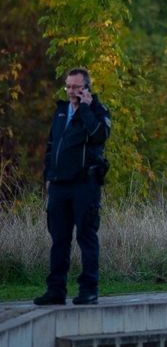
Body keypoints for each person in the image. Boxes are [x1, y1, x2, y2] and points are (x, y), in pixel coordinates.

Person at [34, 67, 112, 306]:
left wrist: (86, 109)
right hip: (59, 185)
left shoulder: (98, 111)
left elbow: (100, 136)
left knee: (86, 237)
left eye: (76, 87)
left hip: (84, 185)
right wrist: (48, 176)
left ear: (87, 87)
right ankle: (56, 290)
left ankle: (89, 290)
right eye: (68, 86)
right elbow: (51, 146)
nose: (71, 91)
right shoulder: (60, 112)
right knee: (59, 239)